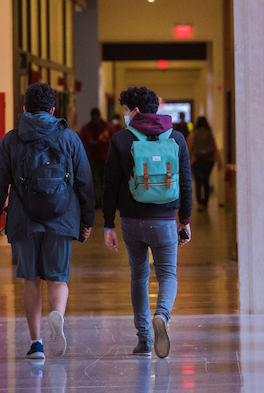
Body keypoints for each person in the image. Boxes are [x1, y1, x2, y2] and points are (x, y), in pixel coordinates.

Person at [0, 83, 94, 360]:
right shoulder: (69, 138)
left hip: (24, 220)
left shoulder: (11, 140)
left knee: (30, 280)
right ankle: (56, 314)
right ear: (53, 110)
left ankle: (36, 344)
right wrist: (87, 220)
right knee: (58, 278)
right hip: (63, 218)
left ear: (24, 109)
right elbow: (84, 183)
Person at [102, 86, 193, 359]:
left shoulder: (120, 140)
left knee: (139, 275)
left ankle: (143, 340)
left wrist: (108, 224)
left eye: (126, 111)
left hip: (131, 221)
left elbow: (109, 185)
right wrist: (184, 220)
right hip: (165, 220)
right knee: (168, 274)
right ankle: (162, 316)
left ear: (136, 111)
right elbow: (185, 182)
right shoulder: (176, 138)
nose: (125, 116)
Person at [79, 108, 113, 209]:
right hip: (92, 158)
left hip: (104, 157)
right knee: (95, 180)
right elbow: (83, 141)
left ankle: (103, 200)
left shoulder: (106, 127)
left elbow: (112, 140)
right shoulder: (87, 128)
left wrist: (103, 141)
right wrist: (91, 143)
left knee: (103, 180)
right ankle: (98, 201)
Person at [186, 116, 222, 212]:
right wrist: (219, 161)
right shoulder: (210, 134)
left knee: (198, 182)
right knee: (206, 181)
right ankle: (205, 203)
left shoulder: (193, 134)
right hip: (208, 161)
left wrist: (186, 162)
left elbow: (188, 148)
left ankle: (200, 203)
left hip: (196, 161)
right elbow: (215, 148)